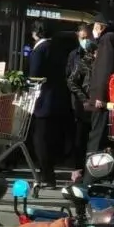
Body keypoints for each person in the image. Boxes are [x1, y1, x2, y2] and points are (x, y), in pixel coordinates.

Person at [28, 24, 71, 189]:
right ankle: (48, 173)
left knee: (40, 139)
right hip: (57, 99)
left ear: (36, 33)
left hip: (43, 100)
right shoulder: (57, 48)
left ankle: (47, 175)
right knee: (50, 138)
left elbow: (34, 75)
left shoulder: (39, 50)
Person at [86, 14, 114, 154]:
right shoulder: (113, 38)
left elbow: (104, 69)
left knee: (97, 135)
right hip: (112, 95)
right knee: (110, 135)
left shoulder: (106, 40)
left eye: (95, 26)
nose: (93, 30)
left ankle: (92, 164)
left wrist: (100, 96)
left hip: (103, 97)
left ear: (101, 27)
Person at [66, 23, 96, 170]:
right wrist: (82, 99)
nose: (85, 41)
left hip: (95, 103)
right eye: (82, 38)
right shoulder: (75, 55)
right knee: (80, 135)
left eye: (87, 37)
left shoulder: (97, 55)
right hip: (80, 103)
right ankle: (79, 167)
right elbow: (70, 78)